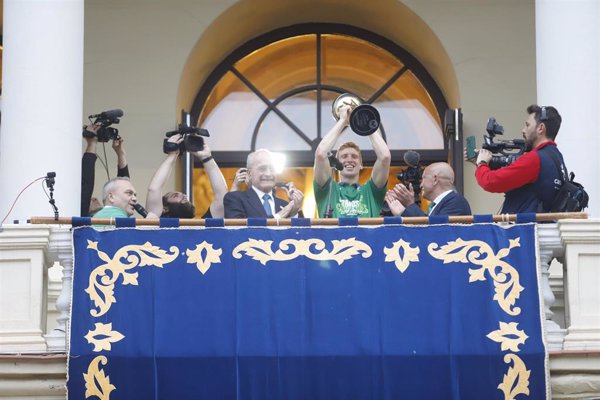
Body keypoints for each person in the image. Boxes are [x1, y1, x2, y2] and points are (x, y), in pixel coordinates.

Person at [469, 105, 565, 213]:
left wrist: (482, 163)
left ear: (540, 128)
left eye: (527, 125)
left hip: (524, 228)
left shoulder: (535, 159)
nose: (523, 130)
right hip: (540, 225)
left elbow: (490, 182)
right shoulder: (556, 157)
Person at [313, 105, 391, 217]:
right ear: (337, 163)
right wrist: (343, 121)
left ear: (361, 164)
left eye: (354, 157)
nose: (349, 160)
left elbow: (385, 157)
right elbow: (321, 154)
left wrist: (366, 125)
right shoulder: (328, 190)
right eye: (344, 156)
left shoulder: (371, 191)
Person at [145, 134, 228, 218]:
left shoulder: (201, 227)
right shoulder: (156, 222)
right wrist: (173, 154)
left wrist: (207, 157)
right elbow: (154, 189)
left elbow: (223, 198)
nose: (183, 196)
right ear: (165, 208)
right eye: (175, 195)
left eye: (183, 195)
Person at [223, 149, 304, 218]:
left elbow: (303, 233)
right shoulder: (235, 199)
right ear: (249, 173)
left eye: (272, 169)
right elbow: (237, 231)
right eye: (262, 169)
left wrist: (296, 208)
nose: (268, 174)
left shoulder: (285, 205)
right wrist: (279, 216)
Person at [385, 162, 471, 217]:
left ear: (435, 179)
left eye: (423, 178)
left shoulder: (456, 202)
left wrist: (410, 205)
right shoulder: (440, 204)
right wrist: (403, 212)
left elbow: (433, 232)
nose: (421, 185)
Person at [81, 123, 129, 216]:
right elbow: (86, 184)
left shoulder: (117, 214)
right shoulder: (83, 219)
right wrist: (92, 143)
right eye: (89, 199)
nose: (94, 198)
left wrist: (121, 154)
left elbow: (124, 186)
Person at [93, 177, 157, 218]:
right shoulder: (116, 216)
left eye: (135, 195)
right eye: (129, 193)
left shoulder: (100, 215)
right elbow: (131, 238)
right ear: (111, 197)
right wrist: (149, 226)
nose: (135, 199)